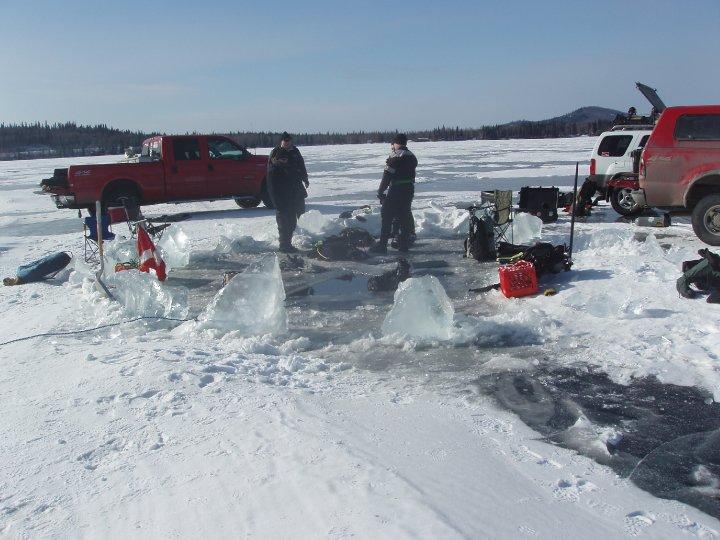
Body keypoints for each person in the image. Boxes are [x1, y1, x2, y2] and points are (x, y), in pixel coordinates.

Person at [370, 133, 418, 254]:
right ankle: (404, 244)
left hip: (396, 189)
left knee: (386, 215)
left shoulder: (396, 156)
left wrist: (380, 192)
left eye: (393, 144)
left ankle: (382, 246)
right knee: (404, 215)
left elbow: (387, 176)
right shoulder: (412, 156)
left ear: (396, 143)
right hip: (409, 189)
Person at [266, 132, 309, 253]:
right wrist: (275, 198)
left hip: (296, 190)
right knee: (286, 219)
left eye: (288, 140)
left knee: (300, 215)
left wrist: (305, 178)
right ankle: (284, 244)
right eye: (285, 141)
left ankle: (297, 239)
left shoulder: (295, 151)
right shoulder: (276, 154)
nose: (287, 143)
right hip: (283, 193)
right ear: (281, 142)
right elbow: (271, 179)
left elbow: (301, 165)